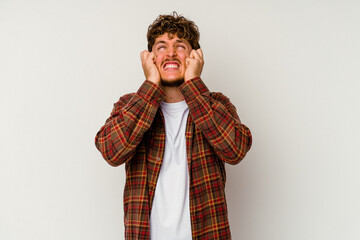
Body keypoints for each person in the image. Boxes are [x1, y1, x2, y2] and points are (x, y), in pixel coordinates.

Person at [95, 12, 252, 240]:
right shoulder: (129, 105)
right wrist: (150, 84)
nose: (170, 53)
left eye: (180, 46)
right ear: (150, 58)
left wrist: (194, 84)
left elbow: (235, 150)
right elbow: (112, 152)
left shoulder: (216, 104)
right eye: (161, 47)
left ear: (193, 57)